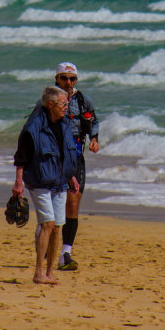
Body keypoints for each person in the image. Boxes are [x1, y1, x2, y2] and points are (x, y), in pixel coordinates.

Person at [12, 86, 79, 285]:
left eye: (67, 103)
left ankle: (49, 273)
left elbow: (67, 155)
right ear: (50, 105)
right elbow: (21, 157)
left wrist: (71, 176)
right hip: (39, 182)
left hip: (60, 182)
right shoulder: (33, 127)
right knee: (47, 224)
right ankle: (39, 272)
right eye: (63, 104)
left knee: (57, 227)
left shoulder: (65, 124)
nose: (67, 107)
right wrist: (18, 182)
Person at [53, 62, 99, 271]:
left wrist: (94, 139)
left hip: (77, 157)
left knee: (73, 203)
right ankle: (47, 244)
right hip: (53, 158)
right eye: (64, 78)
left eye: (72, 79)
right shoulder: (48, 98)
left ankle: (66, 253)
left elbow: (92, 121)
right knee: (54, 204)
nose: (69, 83)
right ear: (57, 79)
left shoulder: (83, 100)